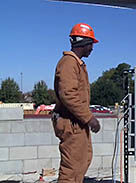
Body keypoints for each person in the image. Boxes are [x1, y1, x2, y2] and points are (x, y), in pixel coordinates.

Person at [52, 23, 101, 183]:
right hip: (71, 124)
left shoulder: (76, 64)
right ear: (83, 43)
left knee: (81, 162)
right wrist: (89, 118)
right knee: (71, 170)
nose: (92, 49)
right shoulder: (68, 63)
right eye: (91, 44)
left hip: (76, 123)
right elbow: (68, 94)